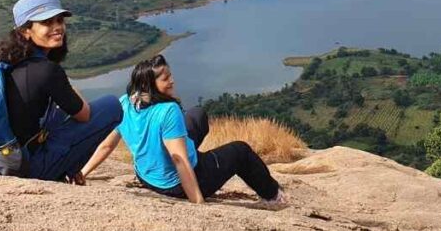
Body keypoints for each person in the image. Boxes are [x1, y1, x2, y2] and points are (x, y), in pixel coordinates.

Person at [79, 54, 286, 204]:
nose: (172, 81)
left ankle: (194, 157)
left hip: (146, 176)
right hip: (174, 185)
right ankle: (274, 196)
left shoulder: (125, 103)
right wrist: (197, 201)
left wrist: (83, 172)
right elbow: (179, 159)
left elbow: (107, 145)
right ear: (150, 85)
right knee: (241, 151)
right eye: (165, 79)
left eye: (170, 75)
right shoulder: (167, 110)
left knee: (197, 115)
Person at [0, 0, 123, 183]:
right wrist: (63, 79)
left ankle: (66, 168)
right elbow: (83, 114)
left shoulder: (7, 62)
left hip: (6, 159)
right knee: (111, 106)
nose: (57, 28)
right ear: (24, 31)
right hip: (29, 167)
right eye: (46, 23)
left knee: (59, 112)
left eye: (59, 21)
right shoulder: (46, 70)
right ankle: (67, 169)